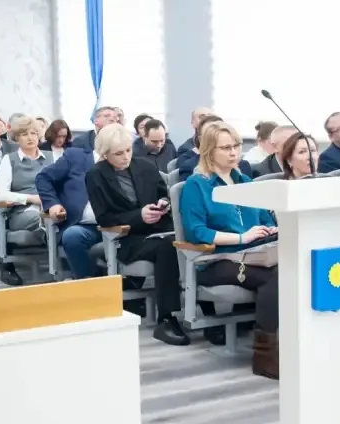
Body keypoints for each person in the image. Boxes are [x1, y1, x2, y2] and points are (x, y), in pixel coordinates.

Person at [179, 121, 280, 379]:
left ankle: (286, 344)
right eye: (225, 148)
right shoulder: (196, 184)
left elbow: (265, 218)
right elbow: (196, 232)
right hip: (215, 260)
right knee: (274, 277)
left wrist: (270, 228)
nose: (234, 152)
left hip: (255, 252)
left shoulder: (244, 181)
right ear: (209, 150)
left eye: (236, 145)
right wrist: (241, 236)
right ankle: (265, 355)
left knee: (291, 268)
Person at [86, 124, 188, 346]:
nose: (125, 157)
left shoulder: (144, 166)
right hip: (127, 238)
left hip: (159, 229)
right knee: (168, 246)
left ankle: (207, 315)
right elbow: (104, 218)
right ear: (105, 154)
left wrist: (163, 204)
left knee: (183, 240)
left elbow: (164, 195)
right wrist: (138, 216)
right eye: (118, 153)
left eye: (128, 150)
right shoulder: (95, 175)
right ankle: (166, 318)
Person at [0, 116, 49, 287]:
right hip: (21, 212)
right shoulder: (9, 160)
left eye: (33, 133)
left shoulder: (51, 157)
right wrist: (31, 198)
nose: (30, 137)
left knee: (61, 215)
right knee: (44, 218)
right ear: (17, 138)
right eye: (24, 134)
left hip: (50, 206)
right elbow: (1, 195)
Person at [35, 145, 98, 279]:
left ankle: (130, 282)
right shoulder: (75, 157)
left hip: (121, 225)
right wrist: (52, 204)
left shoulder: (132, 162)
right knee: (73, 236)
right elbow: (43, 178)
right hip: (85, 225)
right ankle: (87, 282)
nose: (124, 156)